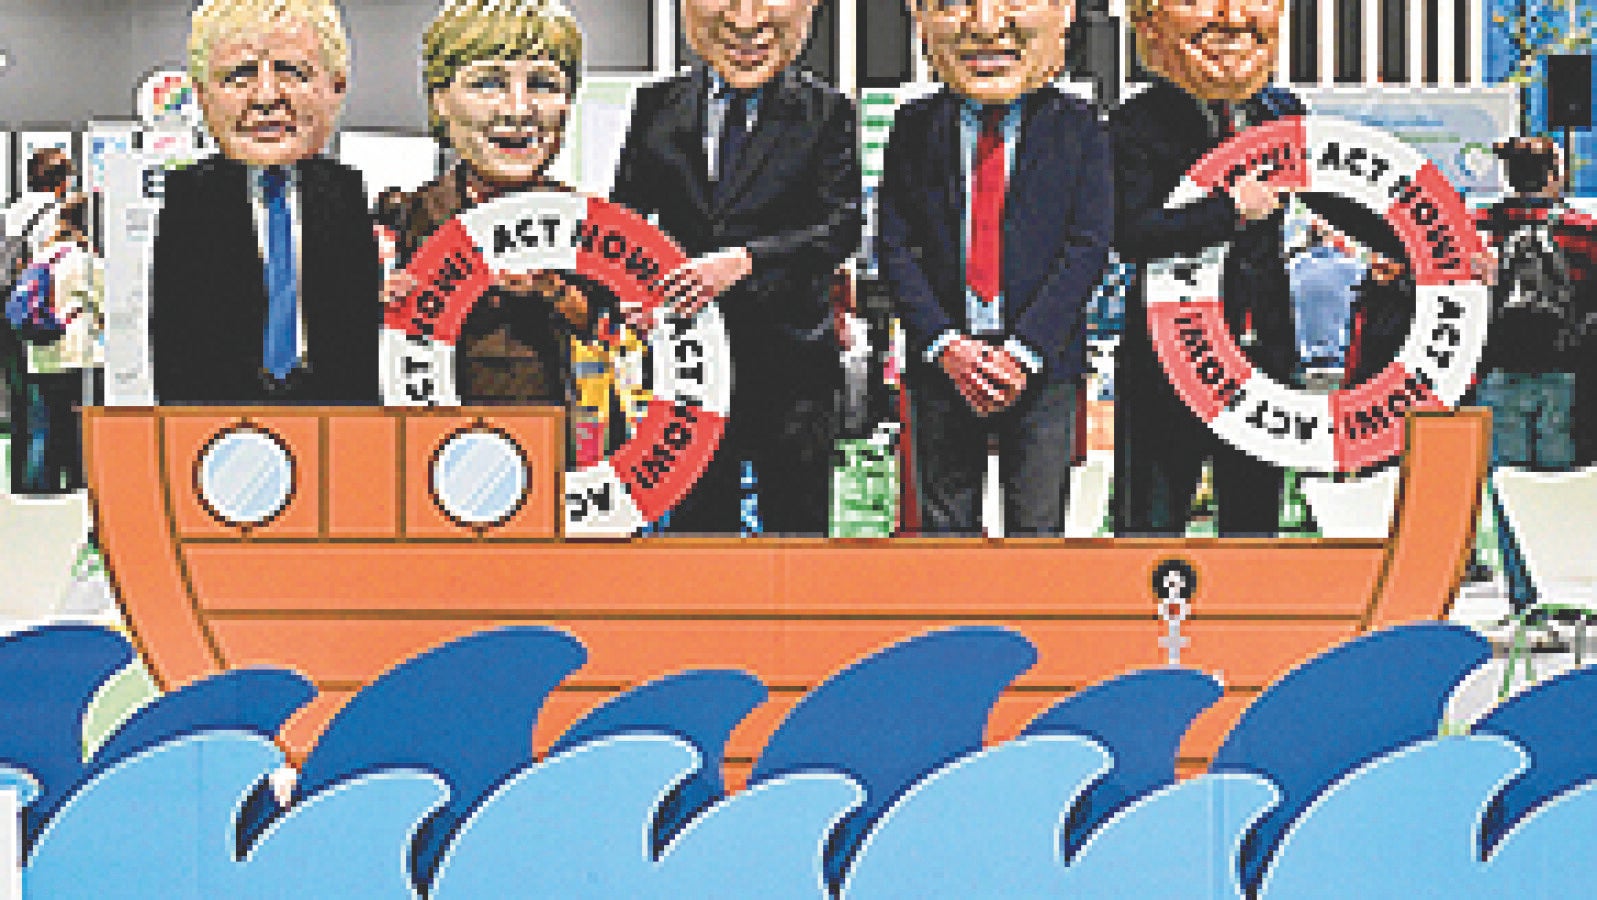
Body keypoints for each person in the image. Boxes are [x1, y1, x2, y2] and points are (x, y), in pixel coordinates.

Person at [610, 0, 861, 535]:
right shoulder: (656, 106)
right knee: (699, 537)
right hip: (690, 371)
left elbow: (840, 228)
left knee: (797, 538)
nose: (746, 21)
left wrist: (746, 261)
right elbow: (626, 220)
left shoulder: (827, 111)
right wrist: (630, 294)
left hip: (792, 371)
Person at [877, 0, 1111, 535]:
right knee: (944, 532)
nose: (985, 24)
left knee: (1038, 530)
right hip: (942, 370)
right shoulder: (913, 125)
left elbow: (1088, 246)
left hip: (1043, 367)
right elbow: (895, 247)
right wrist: (945, 345)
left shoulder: (1080, 126)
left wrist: (1023, 352)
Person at [1110, 0, 1301, 536]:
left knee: (1254, 525)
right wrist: (1228, 212)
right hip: (1167, 356)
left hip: (1261, 353)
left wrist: (1432, 252)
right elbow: (1130, 232)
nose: (1230, 17)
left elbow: (1342, 199)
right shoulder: (1135, 122)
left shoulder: (1282, 112)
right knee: (1152, 521)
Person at [150, 0, 380, 405]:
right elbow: (175, 344)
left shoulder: (346, 192)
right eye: (239, 76)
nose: (267, 97)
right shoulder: (189, 197)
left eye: (293, 72)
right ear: (202, 95)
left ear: (336, 88)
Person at [388, 0, 594, 409]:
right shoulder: (400, 221)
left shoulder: (592, 226)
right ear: (440, 100)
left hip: (560, 438)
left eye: (543, 84)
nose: (518, 110)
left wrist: (553, 291)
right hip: (431, 437)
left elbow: (614, 336)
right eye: (488, 83)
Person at [1476, 136, 1595, 613]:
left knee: (1509, 490)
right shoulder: (1582, 231)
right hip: (1564, 375)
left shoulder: (1481, 228)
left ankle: (1523, 599)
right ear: (1553, 175)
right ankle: (1562, 591)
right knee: (1561, 489)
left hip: (1498, 372)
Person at [21, 193, 103, 494]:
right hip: (75, 351)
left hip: (41, 350)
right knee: (79, 419)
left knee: (45, 419)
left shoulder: (42, 256)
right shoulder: (83, 261)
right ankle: (80, 478)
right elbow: (106, 301)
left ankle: (39, 482)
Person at [3, 149, 74, 494]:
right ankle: (40, 478)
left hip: (9, 310)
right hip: (38, 312)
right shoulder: (55, 214)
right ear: (61, 181)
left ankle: (20, 475)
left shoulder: (12, 211)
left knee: (19, 395)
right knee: (43, 395)